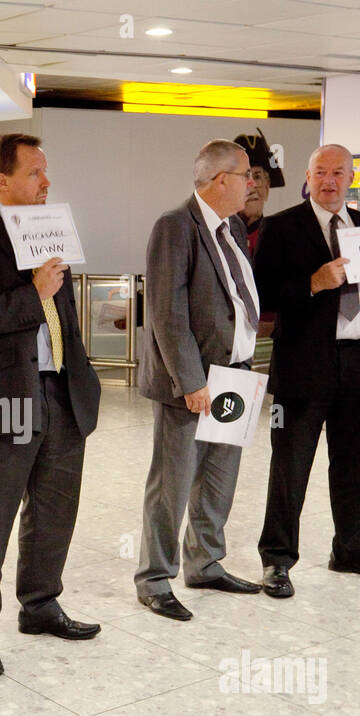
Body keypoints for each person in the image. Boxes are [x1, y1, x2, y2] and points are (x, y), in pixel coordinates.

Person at [0, 133, 102, 675]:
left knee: (55, 508)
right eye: (35, 173)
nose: (46, 182)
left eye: (46, 171)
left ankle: (40, 605)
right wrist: (31, 292)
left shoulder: (51, 228)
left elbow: (66, 312)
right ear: (1, 180)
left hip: (60, 387)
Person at [255, 144, 360, 599]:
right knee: (291, 464)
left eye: (338, 173)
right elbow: (262, 295)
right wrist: (313, 283)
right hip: (305, 362)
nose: (329, 180)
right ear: (308, 175)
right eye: (320, 171)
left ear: (350, 177)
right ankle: (277, 560)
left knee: (354, 462)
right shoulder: (281, 227)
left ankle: (350, 549)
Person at [135, 138, 262, 621]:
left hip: (235, 375)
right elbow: (167, 314)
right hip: (192, 381)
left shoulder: (231, 227)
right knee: (172, 483)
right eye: (245, 175)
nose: (253, 184)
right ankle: (154, 578)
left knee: (218, 479)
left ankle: (205, 562)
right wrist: (190, 381)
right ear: (219, 180)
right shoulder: (175, 226)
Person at [233, 130, 285, 258]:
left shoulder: (282, 237)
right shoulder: (218, 235)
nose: (253, 185)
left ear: (267, 188)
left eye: (257, 177)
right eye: (245, 176)